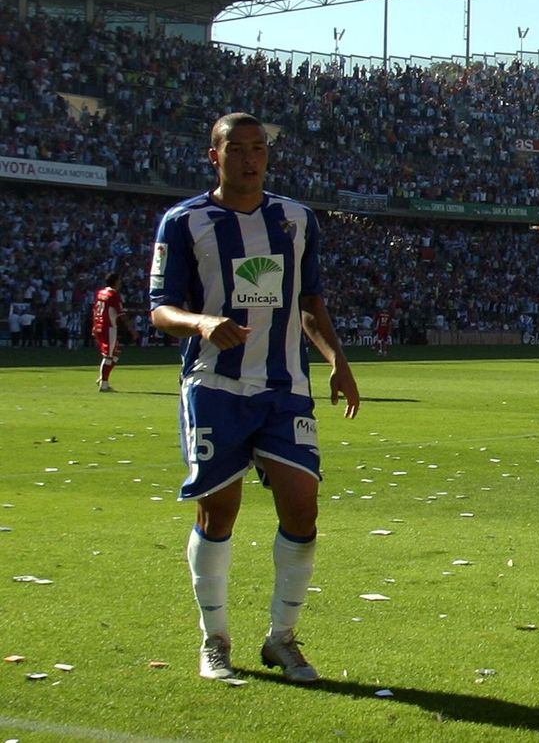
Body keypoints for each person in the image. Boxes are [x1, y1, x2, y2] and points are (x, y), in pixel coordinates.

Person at [149, 112, 360, 684]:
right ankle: (214, 638)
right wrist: (200, 323)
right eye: (236, 148)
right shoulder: (184, 222)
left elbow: (309, 302)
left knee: (303, 507)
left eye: (258, 148)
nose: (249, 158)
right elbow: (159, 308)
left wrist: (337, 360)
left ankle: (282, 639)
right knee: (219, 511)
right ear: (213, 156)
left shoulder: (296, 219)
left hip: (284, 386)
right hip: (215, 384)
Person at [92, 271, 139, 392]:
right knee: (109, 355)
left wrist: (94, 325)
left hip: (99, 325)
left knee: (116, 352)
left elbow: (96, 309)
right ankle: (104, 384)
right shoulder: (113, 295)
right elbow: (121, 314)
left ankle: (102, 378)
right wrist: (132, 330)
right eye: (119, 280)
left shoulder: (101, 293)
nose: (121, 283)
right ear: (115, 282)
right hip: (109, 327)